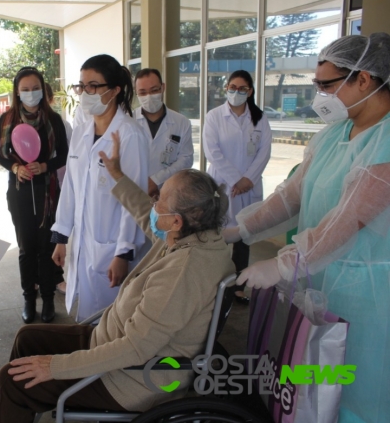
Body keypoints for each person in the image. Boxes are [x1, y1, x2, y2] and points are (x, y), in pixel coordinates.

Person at [0, 133, 234, 422]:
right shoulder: (189, 234)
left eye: (160, 202)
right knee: (26, 339)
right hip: (108, 341)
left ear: (177, 220)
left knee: (13, 381)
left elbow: (134, 348)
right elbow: (145, 213)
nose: (153, 204)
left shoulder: (183, 272)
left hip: (131, 379)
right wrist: (117, 175)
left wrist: (54, 368)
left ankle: (24, 401)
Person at [224, 33, 390, 423]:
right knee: (312, 385)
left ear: (364, 80)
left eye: (326, 85)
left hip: (366, 294)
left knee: (355, 391)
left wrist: (281, 265)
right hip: (318, 277)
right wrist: (237, 230)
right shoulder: (333, 135)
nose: (319, 95)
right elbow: (290, 197)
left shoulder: (384, 141)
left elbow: (346, 222)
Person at [51, 54, 150, 322]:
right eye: (82, 86)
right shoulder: (82, 132)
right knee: (88, 317)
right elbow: (70, 187)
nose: (85, 93)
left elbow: (135, 200)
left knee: (111, 320)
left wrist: (123, 252)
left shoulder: (129, 134)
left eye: (93, 86)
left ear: (115, 90)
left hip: (112, 246)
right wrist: (61, 237)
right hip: (84, 242)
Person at [0, 68, 68, 323]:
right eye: (25, 89)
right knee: (26, 248)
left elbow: (63, 154)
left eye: (34, 88)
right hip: (20, 191)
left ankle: (48, 299)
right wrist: (16, 167)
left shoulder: (54, 119)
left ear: (42, 88)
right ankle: (29, 297)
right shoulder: (7, 119)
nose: (30, 94)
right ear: (17, 92)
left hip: (48, 190)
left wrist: (45, 166)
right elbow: (1, 155)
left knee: (47, 246)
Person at [203, 70, 272, 304]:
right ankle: (215, 284)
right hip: (223, 184)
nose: (236, 92)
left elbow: (264, 152)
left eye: (242, 88)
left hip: (249, 186)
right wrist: (236, 180)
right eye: (232, 87)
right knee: (219, 234)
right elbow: (212, 152)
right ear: (226, 89)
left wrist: (247, 180)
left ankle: (239, 286)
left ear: (250, 91)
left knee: (244, 235)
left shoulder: (259, 118)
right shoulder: (214, 116)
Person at [133, 68, 194, 198]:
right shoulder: (129, 121)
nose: (149, 96)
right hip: (135, 190)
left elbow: (186, 159)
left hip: (170, 191)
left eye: (154, 90)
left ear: (163, 88)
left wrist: (156, 180)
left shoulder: (181, 122)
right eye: (142, 92)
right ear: (136, 93)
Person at [45, 83, 72, 296]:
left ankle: (55, 277)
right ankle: (37, 278)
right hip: (33, 189)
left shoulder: (62, 125)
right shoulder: (20, 125)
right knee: (32, 239)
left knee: (55, 235)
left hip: (60, 186)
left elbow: (70, 158)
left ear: (51, 99)